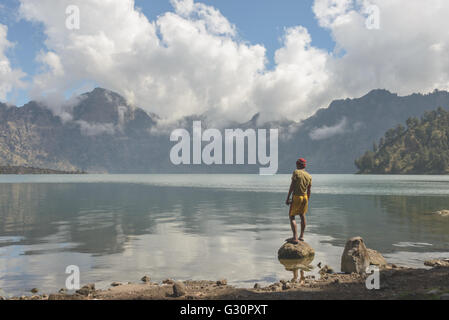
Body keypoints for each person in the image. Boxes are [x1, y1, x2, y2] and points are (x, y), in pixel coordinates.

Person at [285, 158, 312, 244]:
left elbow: (292, 185)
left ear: (298, 165)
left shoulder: (296, 172)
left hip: (297, 196)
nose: (296, 165)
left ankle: (295, 237)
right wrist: (307, 199)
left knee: (292, 216)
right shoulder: (308, 175)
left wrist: (288, 197)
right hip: (305, 197)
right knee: (302, 215)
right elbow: (309, 190)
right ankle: (302, 236)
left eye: (296, 164)